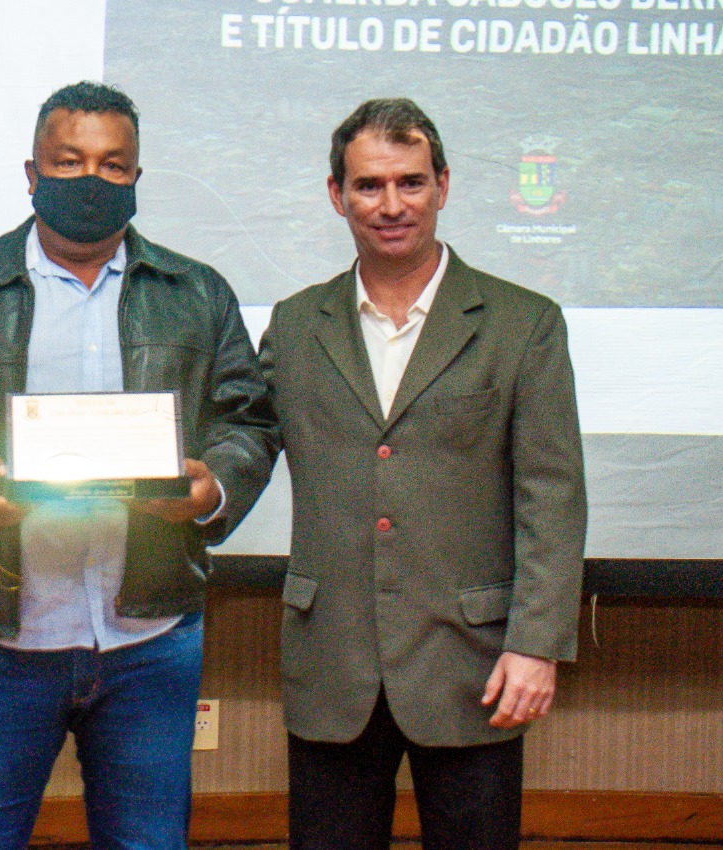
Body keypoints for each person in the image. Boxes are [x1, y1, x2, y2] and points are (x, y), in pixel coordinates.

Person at [0, 80, 277, 850]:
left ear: (136, 177)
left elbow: (248, 418)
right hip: (0, 638)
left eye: (112, 165)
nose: (91, 180)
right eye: (69, 162)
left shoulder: (197, 293)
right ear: (32, 173)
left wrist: (213, 485)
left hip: (149, 637)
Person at [259, 97, 588, 849]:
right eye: (368, 185)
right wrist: (192, 484)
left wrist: (536, 643)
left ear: (443, 184)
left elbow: (553, 495)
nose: (391, 205)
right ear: (337, 194)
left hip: (475, 666)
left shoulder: (523, 323)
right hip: (331, 663)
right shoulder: (295, 325)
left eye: (410, 182)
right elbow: (245, 444)